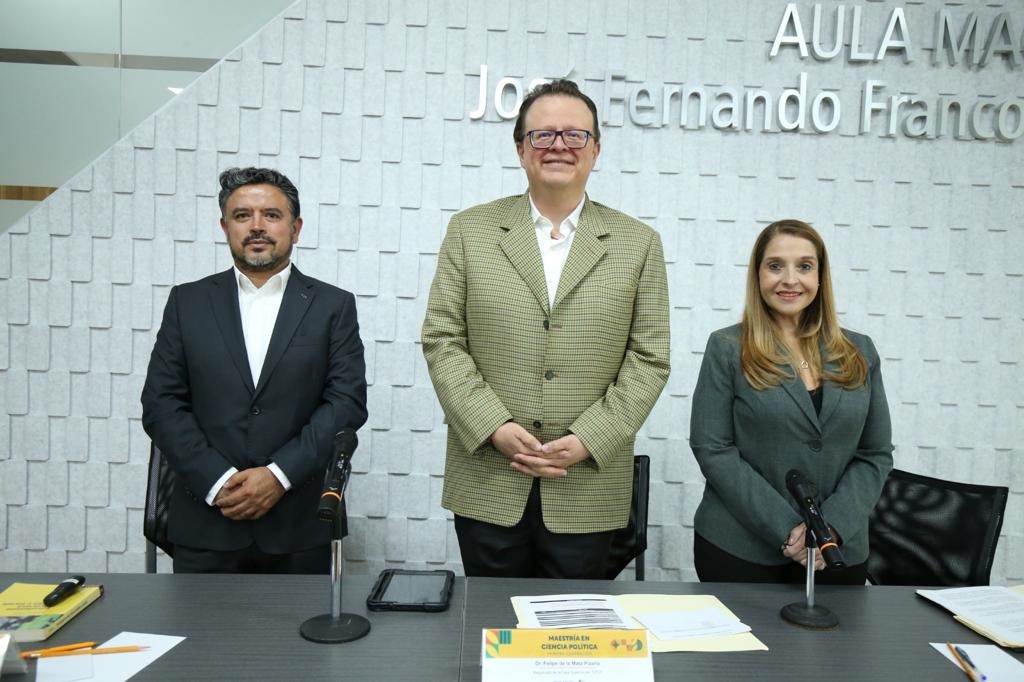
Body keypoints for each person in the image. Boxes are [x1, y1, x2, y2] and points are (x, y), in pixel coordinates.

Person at [421, 80, 671, 579]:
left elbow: (649, 359)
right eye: (542, 135)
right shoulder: (471, 231)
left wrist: (588, 438)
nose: (559, 145)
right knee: (493, 633)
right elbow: (442, 339)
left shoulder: (637, 243)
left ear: (596, 150)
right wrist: (492, 426)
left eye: (575, 135)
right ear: (520, 149)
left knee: (575, 637)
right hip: (489, 478)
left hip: (587, 485)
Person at [141, 167, 367, 574]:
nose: (257, 226)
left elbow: (345, 403)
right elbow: (161, 403)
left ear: (295, 229)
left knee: (300, 638)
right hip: (208, 522)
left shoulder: (333, 306)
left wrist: (278, 476)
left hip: (299, 525)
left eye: (272, 215)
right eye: (243, 215)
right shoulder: (186, 303)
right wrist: (218, 480)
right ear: (225, 226)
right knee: (200, 639)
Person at [689, 219, 893, 584]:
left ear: (820, 276)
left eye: (804, 266)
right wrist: (790, 530)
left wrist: (830, 528)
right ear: (757, 275)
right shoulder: (726, 348)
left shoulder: (860, 351)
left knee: (841, 643)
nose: (789, 279)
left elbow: (874, 453)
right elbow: (712, 448)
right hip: (740, 551)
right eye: (775, 265)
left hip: (838, 550)